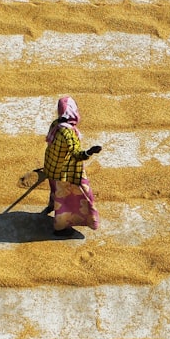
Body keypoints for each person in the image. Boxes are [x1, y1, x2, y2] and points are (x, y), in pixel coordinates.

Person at [43, 96, 102, 235]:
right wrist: (90, 152)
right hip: (65, 172)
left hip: (52, 167)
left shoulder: (56, 124)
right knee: (72, 197)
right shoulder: (68, 133)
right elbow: (76, 154)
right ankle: (60, 227)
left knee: (56, 191)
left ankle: (51, 205)